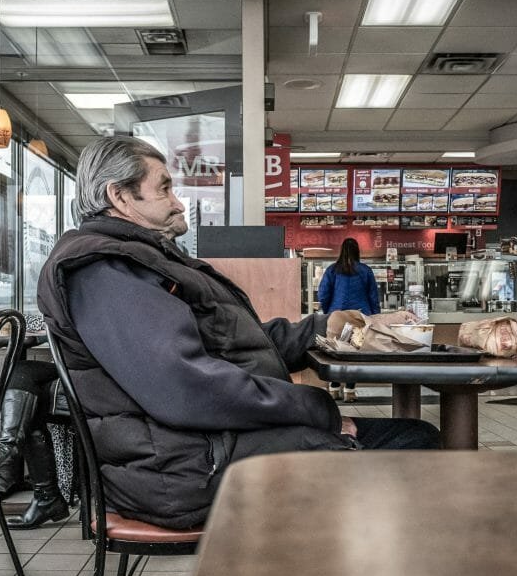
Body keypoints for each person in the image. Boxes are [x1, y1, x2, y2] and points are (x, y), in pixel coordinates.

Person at [37, 136, 439, 530]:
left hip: (200, 448)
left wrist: (330, 327)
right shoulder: (106, 271)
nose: (178, 203)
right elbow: (183, 387)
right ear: (121, 197)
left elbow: (234, 344)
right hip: (180, 473)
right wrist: (318, 412)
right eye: (164, 189)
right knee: (410, 447)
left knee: (412, 435)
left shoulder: (137, 262)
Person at [0, 360, 71, 529]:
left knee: (19, 372)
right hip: (78, 358)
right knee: (27, 391)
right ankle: (46, 498)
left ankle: (5, 456)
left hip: (96, 364)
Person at [317, 237, 381, 401]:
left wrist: (328, 311)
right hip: (359, 317)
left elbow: (323, 294)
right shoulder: (365, 270)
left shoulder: (332, 270)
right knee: (354, 353)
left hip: (336, 316)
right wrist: (375, 315)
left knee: (335, 352)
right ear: (357, 251)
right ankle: (350, 392)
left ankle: (334, 387)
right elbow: (373, 296)